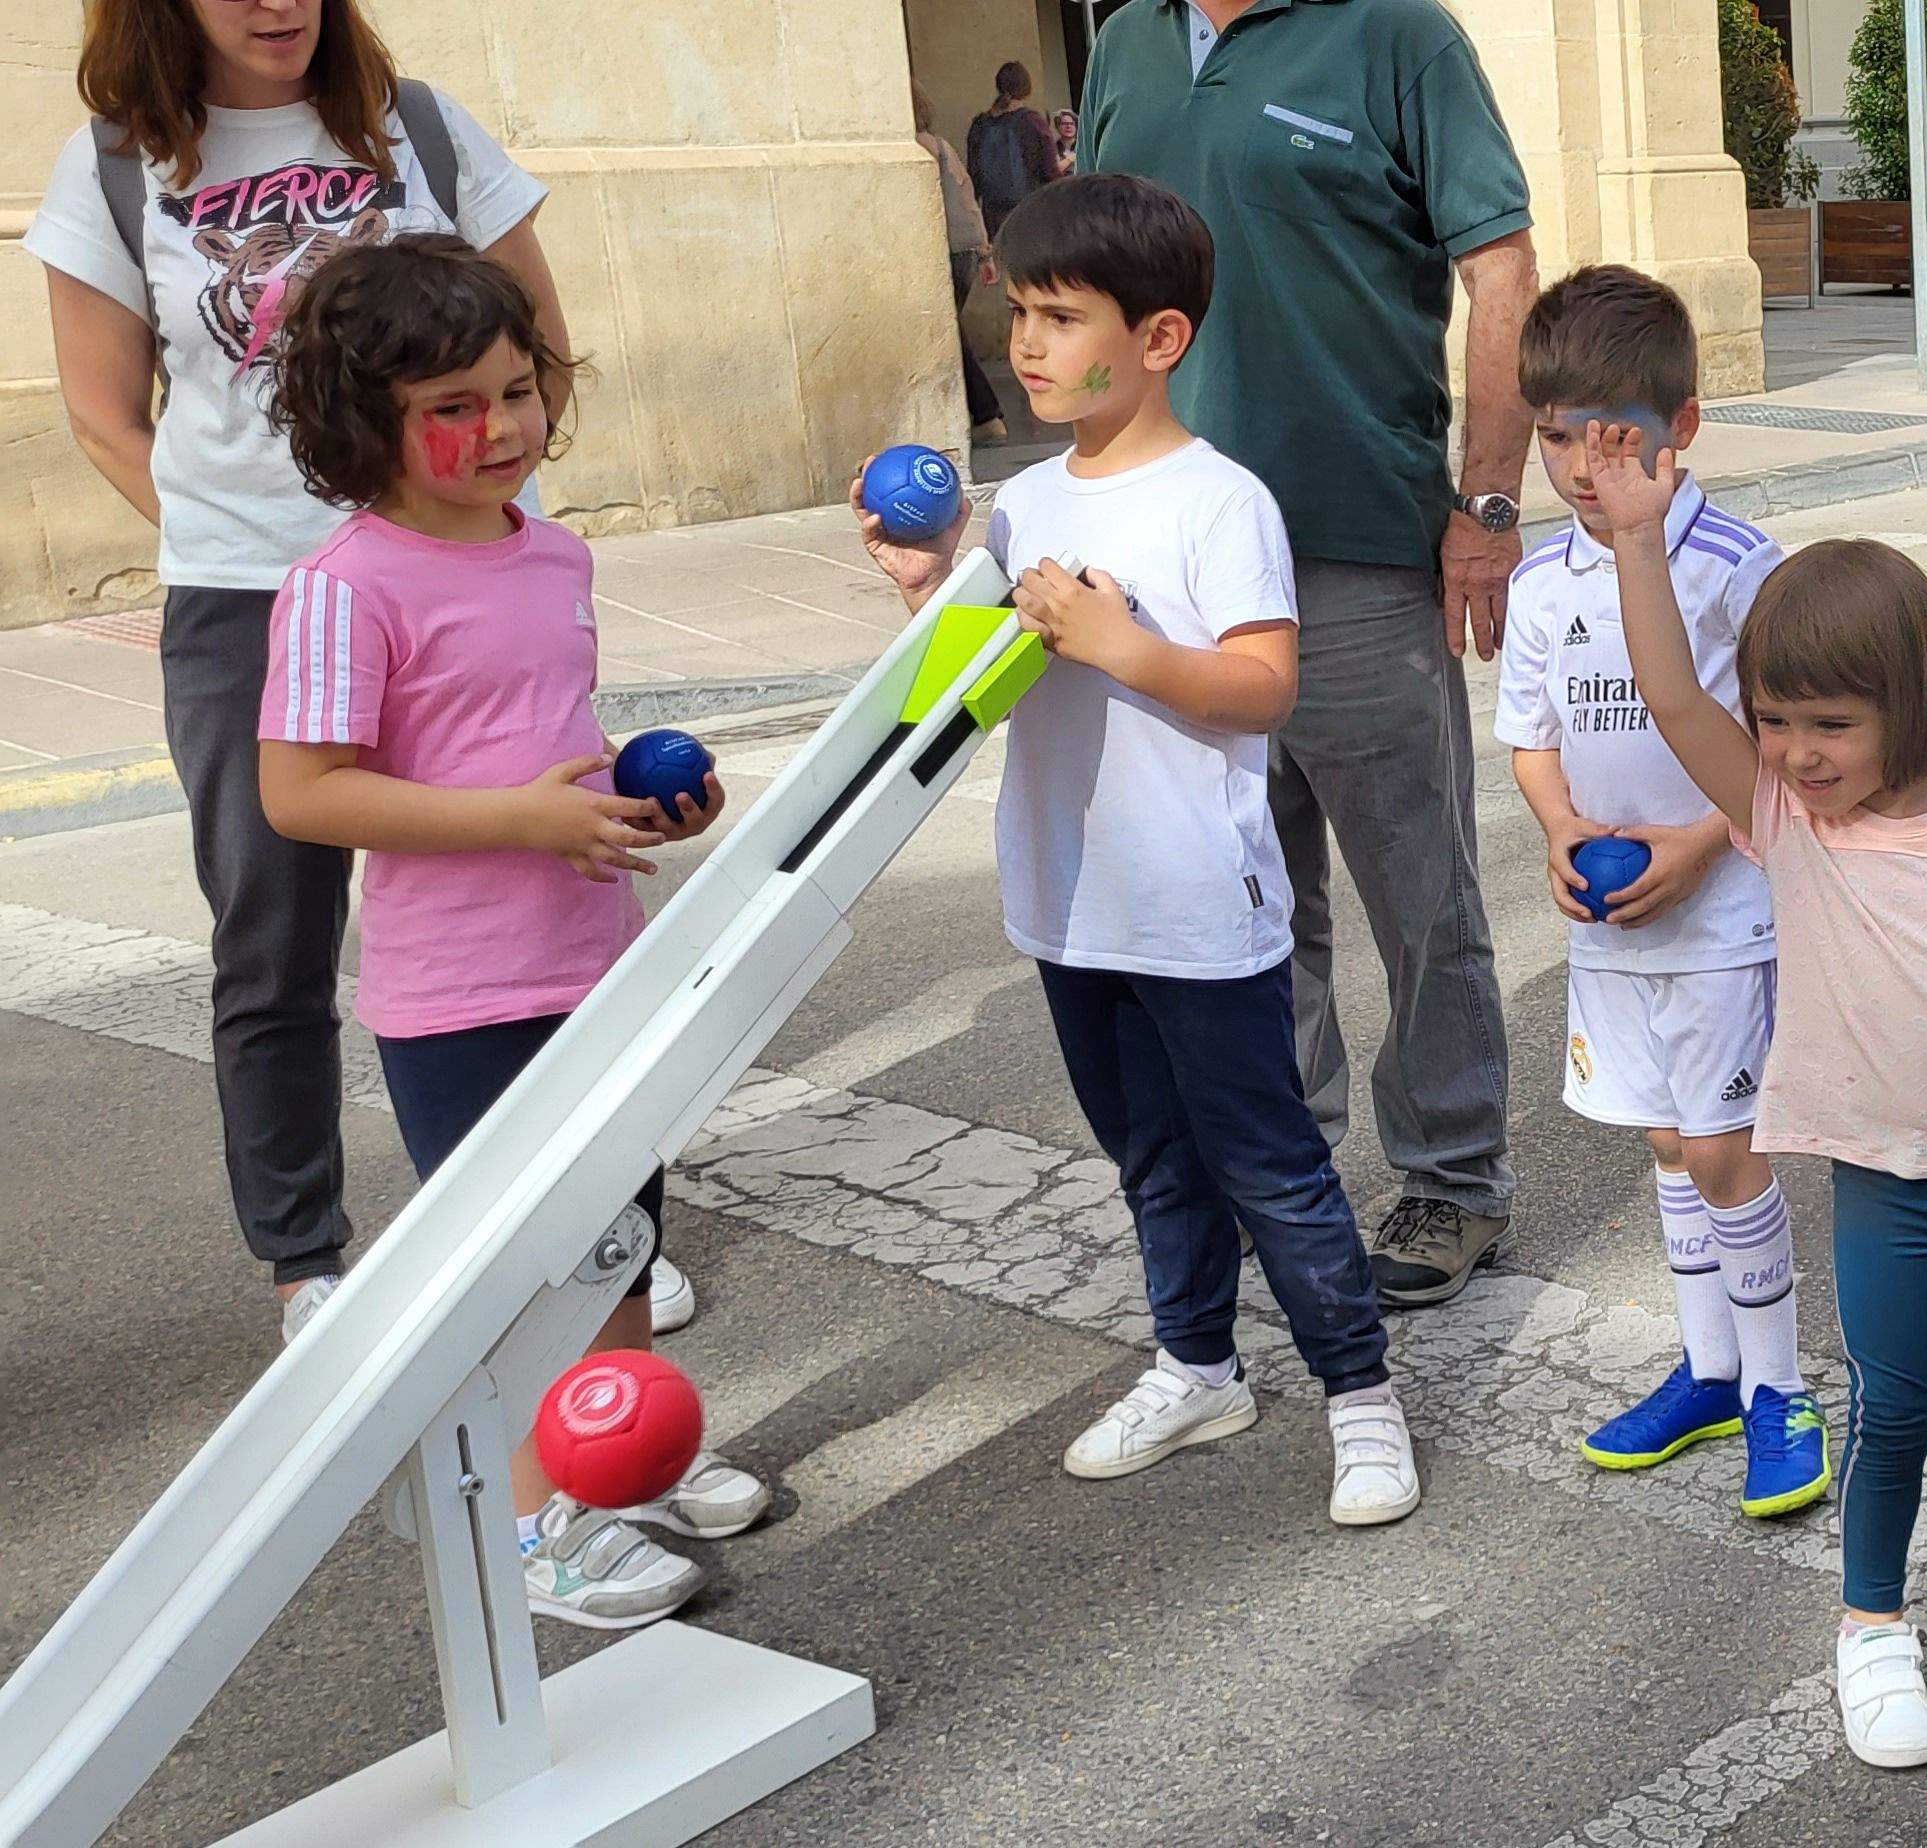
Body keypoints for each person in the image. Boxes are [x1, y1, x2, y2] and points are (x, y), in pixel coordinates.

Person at [25, 0, 690, 1337]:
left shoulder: (422, 126)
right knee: (272, 940)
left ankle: (590, 1230)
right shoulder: (113, 165)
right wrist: (251, 541)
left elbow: (535, 345)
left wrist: (462, 537)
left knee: (530, 878)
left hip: (454, 587)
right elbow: (102, 415)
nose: (282, 3)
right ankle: (306, 1259)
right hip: (252, 601)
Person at [853, 173, 1423, 1529]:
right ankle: (1197, 1365)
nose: (1029, 345)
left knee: (1269, 1163)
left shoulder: (1218, 503)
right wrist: (932, 597)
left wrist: (1120, 644)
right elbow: (973, 685)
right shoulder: (1025, 504)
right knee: (1150, 1160)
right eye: (1020, 315)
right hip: (1068, 894)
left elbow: (1265, 689)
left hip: (1193, 903)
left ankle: (1362, 1397)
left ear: (1158, 340)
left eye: (1061, 317)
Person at [1583, 437, 1927, 1770]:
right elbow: (1674, 704)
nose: (1794, 748)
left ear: (1913, 704)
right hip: (1880, 1184)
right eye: (1776, 720)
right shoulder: (1786, 816)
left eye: (1829, 723)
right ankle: (1872, 1623)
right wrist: (1638, 547)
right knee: (1893, 1405)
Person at [249, 236, 769, 1629]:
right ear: (369, 426)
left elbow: (542, 748)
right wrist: (520, 824)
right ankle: (541, 1522)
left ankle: (622, 1458)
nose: (500, 430)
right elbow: (302, 794)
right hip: (463, 995)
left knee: (619, 1232)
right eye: (452, 409)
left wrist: (630, 803)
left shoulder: (553, 554)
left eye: (516, 390)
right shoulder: (345, 586)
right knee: (526, 1264)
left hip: (596, 956)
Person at [1082, 0, 1544, 1308]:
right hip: (1172, 563)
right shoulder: (1124, 43)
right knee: (1241, 896)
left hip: (1351, 541)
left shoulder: (1401, 37)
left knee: (1418, 892)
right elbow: (1090, 289)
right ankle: (1278, 1164)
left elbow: (1501, 270)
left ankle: (1454, 1180)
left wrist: (1489, 504)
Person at [1495, 266, 1827, 1521]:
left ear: (1681, 426)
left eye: (1611, 434)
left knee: (1723, 1149)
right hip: (1610, 927)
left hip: (1728, 913)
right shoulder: (1537, 583)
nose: (1583, 465)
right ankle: (1708, 1369)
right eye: (1554, 437)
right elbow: (1531, 735)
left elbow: (1784, 750)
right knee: (1661, 1140)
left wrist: (1699, 842)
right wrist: (1560, 827)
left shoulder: (1740, 568)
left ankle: (1778, 1391)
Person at [914, 87, 1006, 440]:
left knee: (946, 336)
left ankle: (986, 416)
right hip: (963, 248)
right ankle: (985, 416)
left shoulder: (917, 148)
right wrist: (983, 252)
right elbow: (965, 197)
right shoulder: (939, 145)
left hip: (942, 251)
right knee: (951, 332)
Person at [967, 61, 1060, 230]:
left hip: (992, 214)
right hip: (1028, 211)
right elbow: (1050, 171)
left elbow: (973, 175)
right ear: (1026, 88)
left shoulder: (979, 125)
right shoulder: (1033, 123)